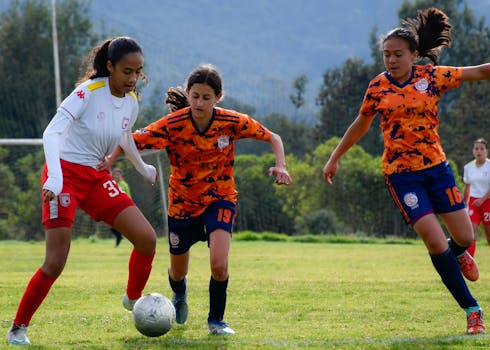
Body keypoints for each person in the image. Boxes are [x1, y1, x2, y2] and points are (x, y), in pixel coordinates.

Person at [322, 8, 490, 335]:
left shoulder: (433, 77)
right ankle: (473, 310)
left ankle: (460, 255)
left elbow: (482, 71)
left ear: (414, 55)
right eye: (386, 55)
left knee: (465, 238)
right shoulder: (377, 88)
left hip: (437, 170)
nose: (391, 60)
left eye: (398, 54)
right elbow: (361, 124)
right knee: (433, 239)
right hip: (402, 175)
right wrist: (335, 157)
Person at [104, 64, 293, 335]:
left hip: (221, 199)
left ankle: (216, 321)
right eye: (195, 96)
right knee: (178, 273)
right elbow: (128, 143)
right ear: (188, 94)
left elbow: (273, 137)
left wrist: (281, 165)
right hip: (182, 205)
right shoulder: (173, 125)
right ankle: (179, 295)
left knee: (219, 264)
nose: (199, 102)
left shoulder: (231, 122)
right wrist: (108, 163)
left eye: (206, 97)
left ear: (218, 97)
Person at [6, 36, 158, 345]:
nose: (132, 79)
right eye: (127, 71)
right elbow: (52, 132)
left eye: (138, 72)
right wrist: (55, 179)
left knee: (146, 239)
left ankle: (132, 299)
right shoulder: (87, 93)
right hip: (63, 175)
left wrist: (143, 168)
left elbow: (125, 135)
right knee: (56, 261)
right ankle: (18, 328)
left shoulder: (131, 102)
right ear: (110, 66)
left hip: (95, 177)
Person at [463, 138, 490, 257]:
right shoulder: (468, 167)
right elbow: (467, 187)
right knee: (471, 234)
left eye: (482, 149)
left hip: (487, 202)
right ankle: (470, 263)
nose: (479, 151)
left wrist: (483, 199)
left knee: (489, 237)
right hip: (473, 203)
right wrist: (464, 205)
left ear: (486, 151)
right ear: (473, 151)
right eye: (476, 149)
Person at [110, 167, 133, 247]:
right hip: (113, 207)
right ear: (113, 175)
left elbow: (129, 196)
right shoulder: (111, 183)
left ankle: (128, 238)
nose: (117, 176)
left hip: (123, 207)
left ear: (121, 175)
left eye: (118, 174)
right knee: (112, 226)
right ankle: (120, 236)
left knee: (123, 225)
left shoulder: (124, 185)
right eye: (115, 174)